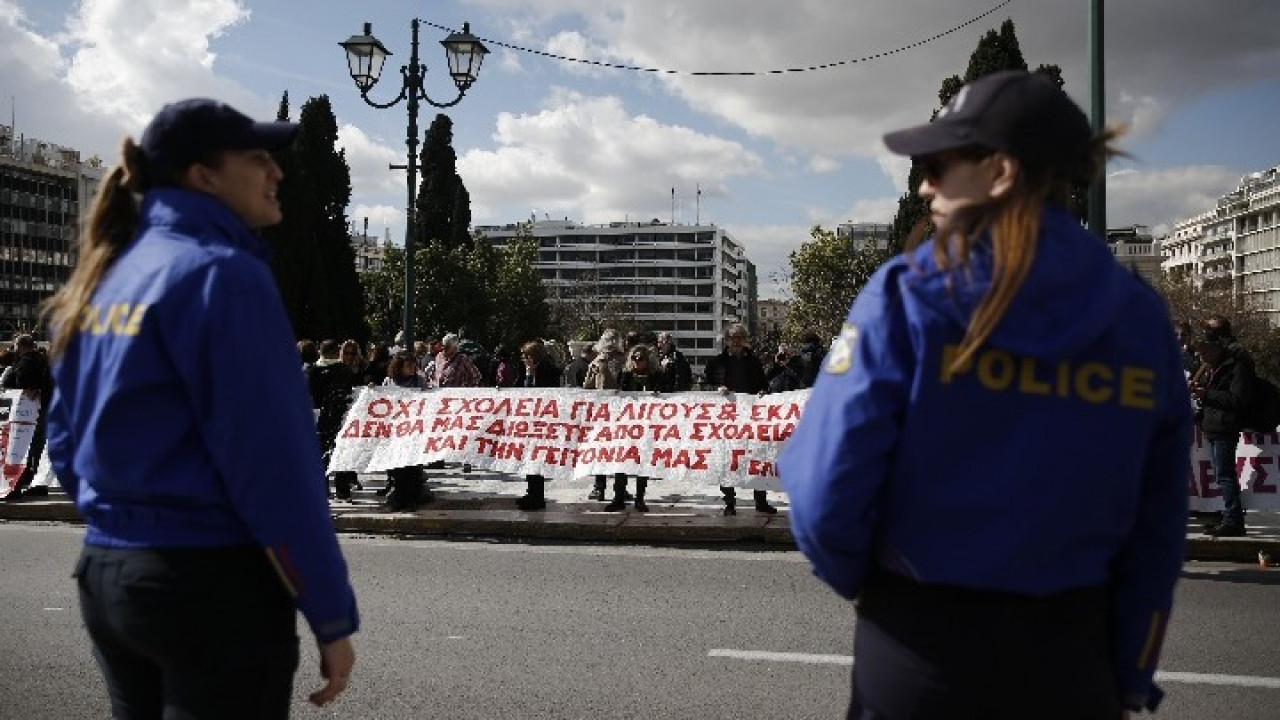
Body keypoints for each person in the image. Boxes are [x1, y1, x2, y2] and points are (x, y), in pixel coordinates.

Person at [778, 71, 1191, 718]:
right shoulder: (1141, 317)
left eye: (940, 164)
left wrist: (873, 590)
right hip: (1073, 659)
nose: (924, 185)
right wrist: (1129, 668)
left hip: (921, 648)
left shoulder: (908, 293)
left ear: (1000, 172)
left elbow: (827, 485)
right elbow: (1159, 524)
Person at [41, 98, 358, 717]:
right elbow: (277, 468)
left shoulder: (105, 280)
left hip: (111, 572)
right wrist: (330, 613)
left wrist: (128, 516)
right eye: (258, 158)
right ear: (203, 175)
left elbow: (65, 435)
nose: (278, 173)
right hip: (208, 583)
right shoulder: (223, 274)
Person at [1190, 316, 1253, 537]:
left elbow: (1237, 400)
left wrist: (1206, 394)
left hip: (1225, 426)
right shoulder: (1214, 366)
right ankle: (1227, 517)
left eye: (1207, 349)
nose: (1202, 355)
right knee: (1221, 474)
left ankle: (1233, 520)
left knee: (1225, 475)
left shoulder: (1238, 365)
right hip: (1213, 425)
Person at [703, 323, 775, 515]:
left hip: (751, 418)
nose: (736, 341)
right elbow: (706, 386)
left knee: (758, 458)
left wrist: (762, 392)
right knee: (727, 460)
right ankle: (729, 503)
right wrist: (717, 389)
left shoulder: (755, 362)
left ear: (745, 341)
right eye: (733, 338)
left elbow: (764, 386)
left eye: (740, 337)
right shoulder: (716, 363)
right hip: (727, 421)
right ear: (726, 340)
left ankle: (761, 501)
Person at [606, 344, 667, 512]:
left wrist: (658, 394)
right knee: (621, 462)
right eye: (634, 358)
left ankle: (640, 499)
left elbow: (667, 395)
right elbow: (618, 395)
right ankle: (618, 497)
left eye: (641, 358)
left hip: (646, 425)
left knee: (642, 462)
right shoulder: (624, 375)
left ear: (648, 360)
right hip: (626, 425)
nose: (637, 361)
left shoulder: (656, 376)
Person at [1, 334, 53, 500]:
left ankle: (19, 482)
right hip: (43, 408)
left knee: (20, 447)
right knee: (37, 446)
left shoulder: (26, 361)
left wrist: (26, 385)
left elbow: (19, 381)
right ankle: (36, 484)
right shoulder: (45, 360)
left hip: (25, 411)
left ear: (21, 346)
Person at [514, 340, 562, 511]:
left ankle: (537, 497)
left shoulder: (548, 371)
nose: (523, 359)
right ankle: (531, 493)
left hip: (542, 422)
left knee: (536, 460)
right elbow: (520, 390)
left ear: (533, 357)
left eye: (525, 356)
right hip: (528, 421)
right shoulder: (527, 370)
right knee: (528, 459)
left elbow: (536, 393)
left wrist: (530, 375)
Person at [381, 351, 432, 511]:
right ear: (399, 367)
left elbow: (429, 400)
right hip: (395, 433)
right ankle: (399, 498)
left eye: (414, 364)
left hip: (413, 432)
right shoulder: (389, 382)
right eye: (409, 365)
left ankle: (410, 500)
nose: (413, 368)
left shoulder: (420, 381)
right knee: (397, 468)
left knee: (411, 467)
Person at [583, 328, 628, 501]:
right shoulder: (625, 361)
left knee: (600, 451)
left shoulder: (596, 362)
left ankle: (599, 488)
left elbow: (587, 386)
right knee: (620, 452)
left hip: (601, 413)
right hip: (622, 413)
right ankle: (620, 489)